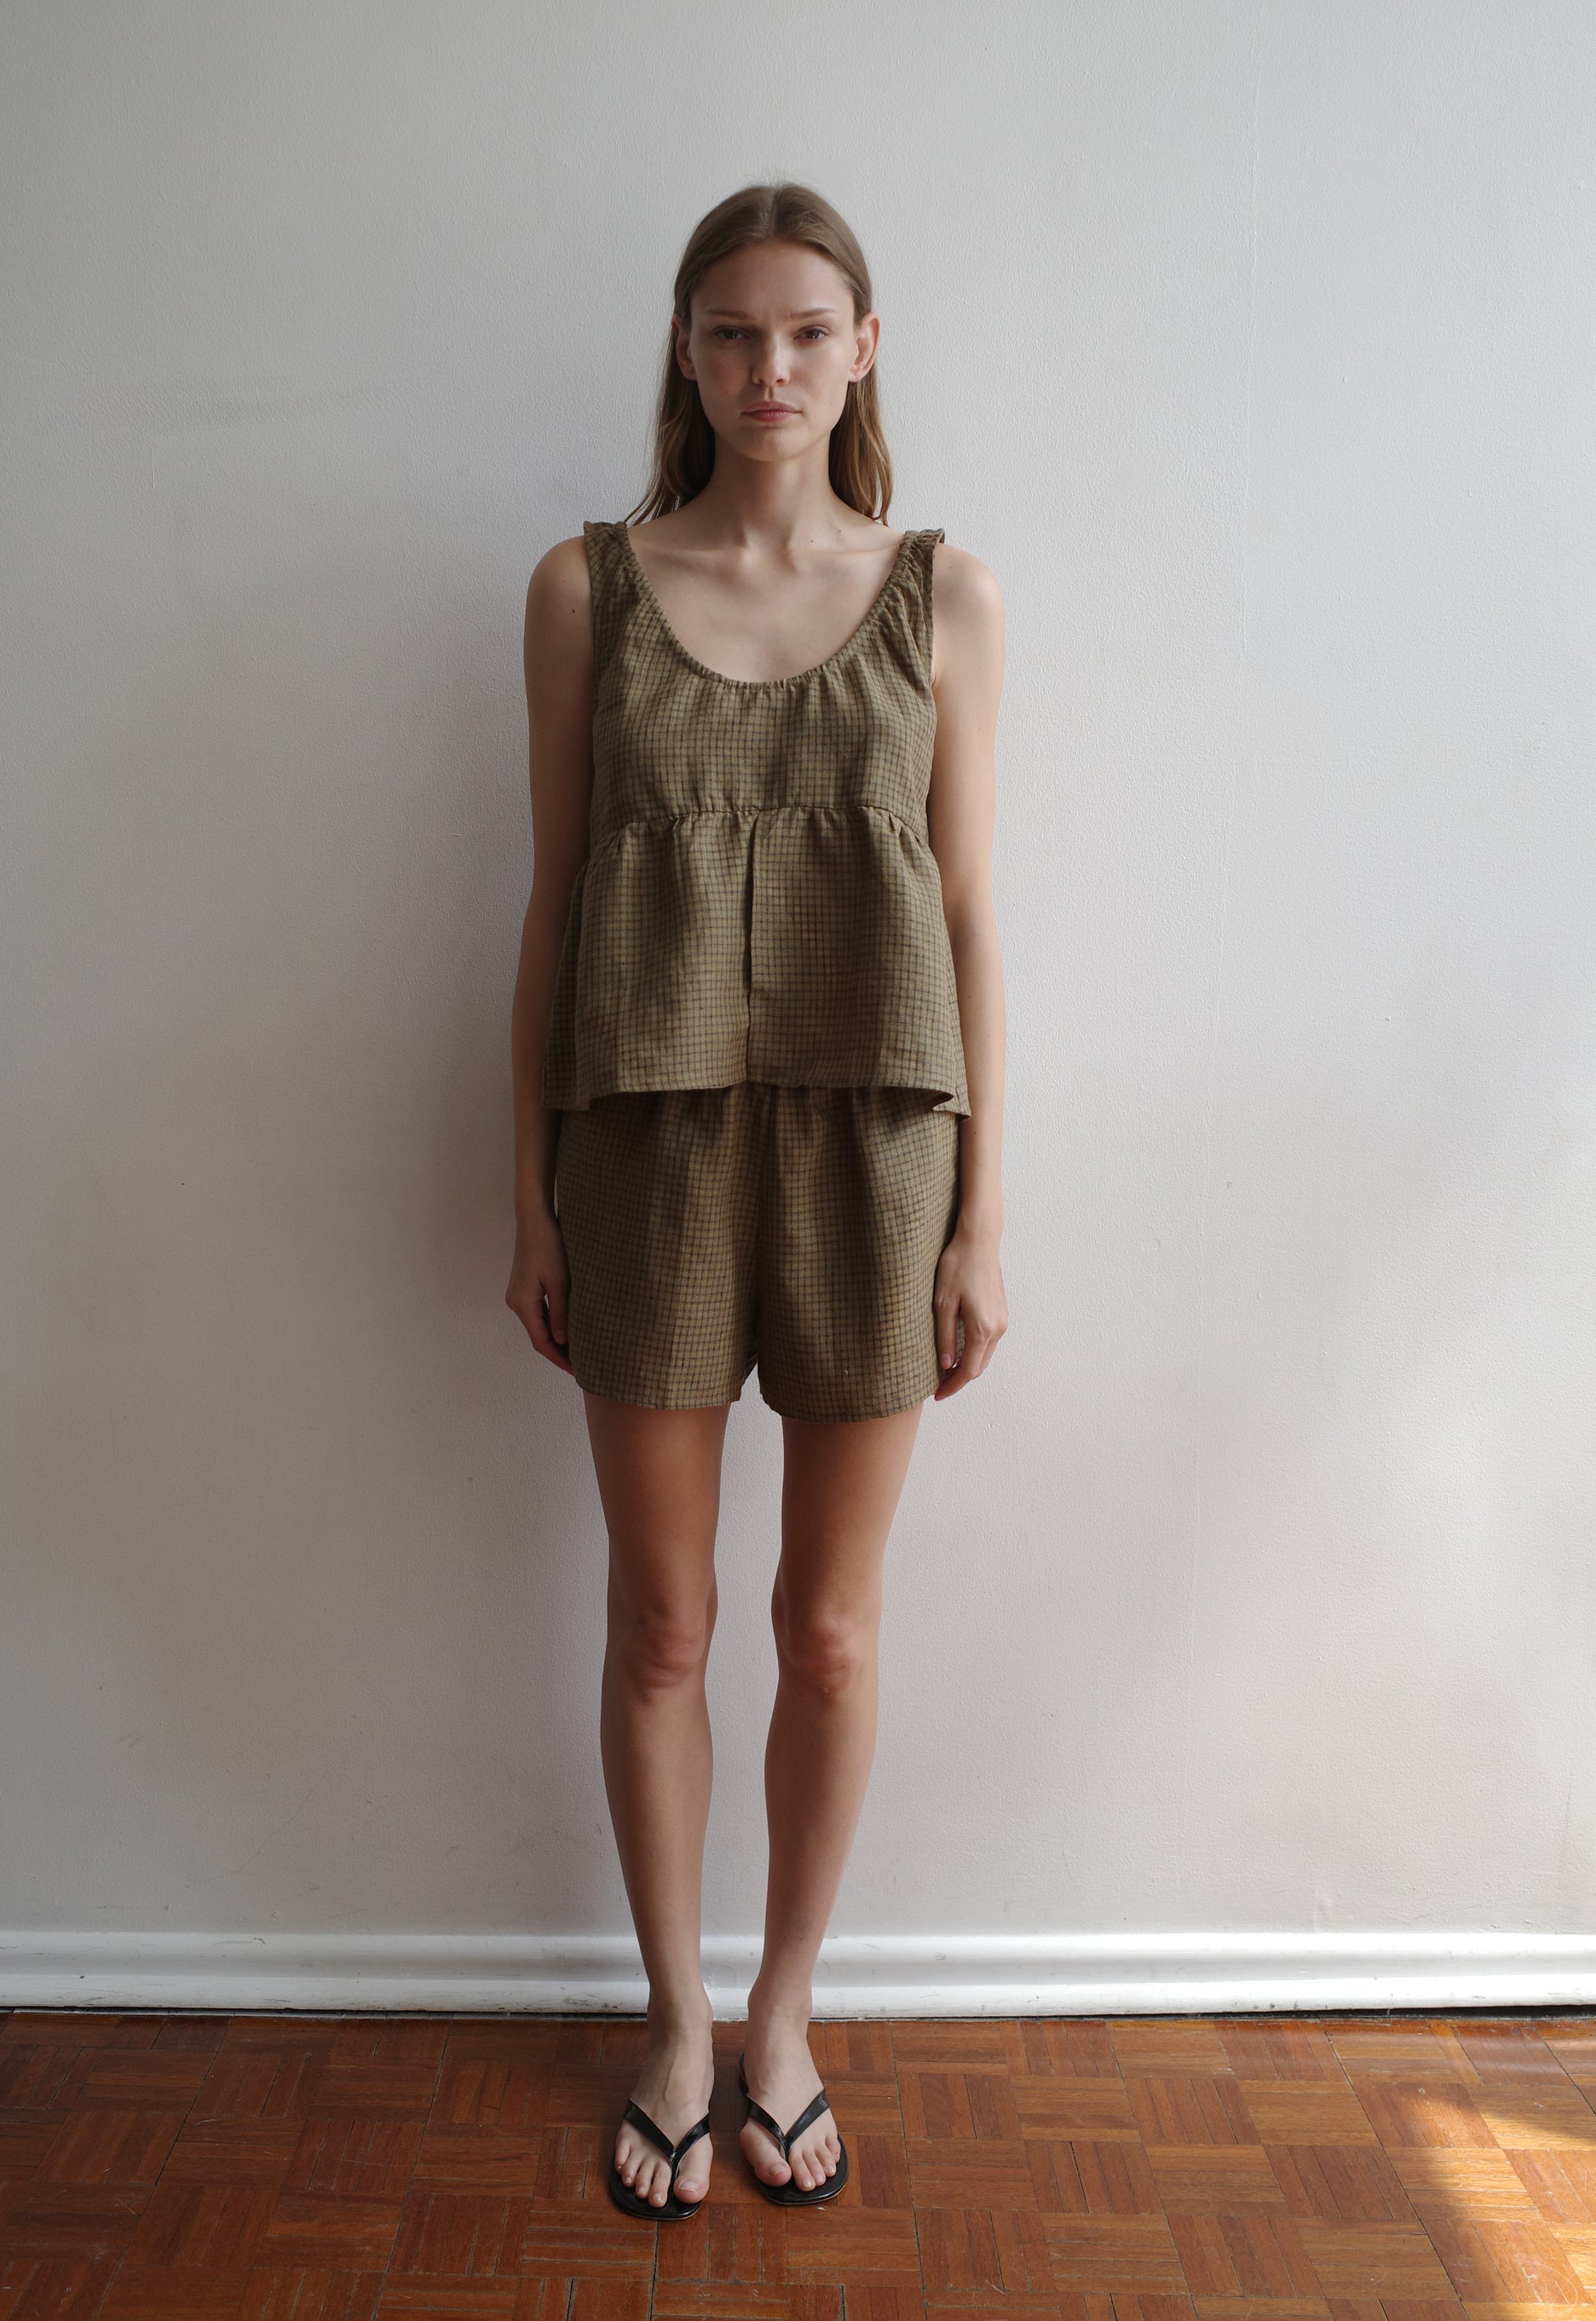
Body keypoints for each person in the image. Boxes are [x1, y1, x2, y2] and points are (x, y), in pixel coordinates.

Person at [505, 181, 1008, 2220]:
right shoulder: (582, 589)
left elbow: (970, 913)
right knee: (662, 1623)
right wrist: (524, 1190)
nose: (768, 367)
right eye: (730, 332)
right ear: (685, 354)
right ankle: (677, 2023)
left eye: (805, 330)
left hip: (880, 1149)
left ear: (861, 348)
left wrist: (983, 1210)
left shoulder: (944, 596)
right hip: (638, 1143)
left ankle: (787, 2013)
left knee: (823, 1627)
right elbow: (551, 907)